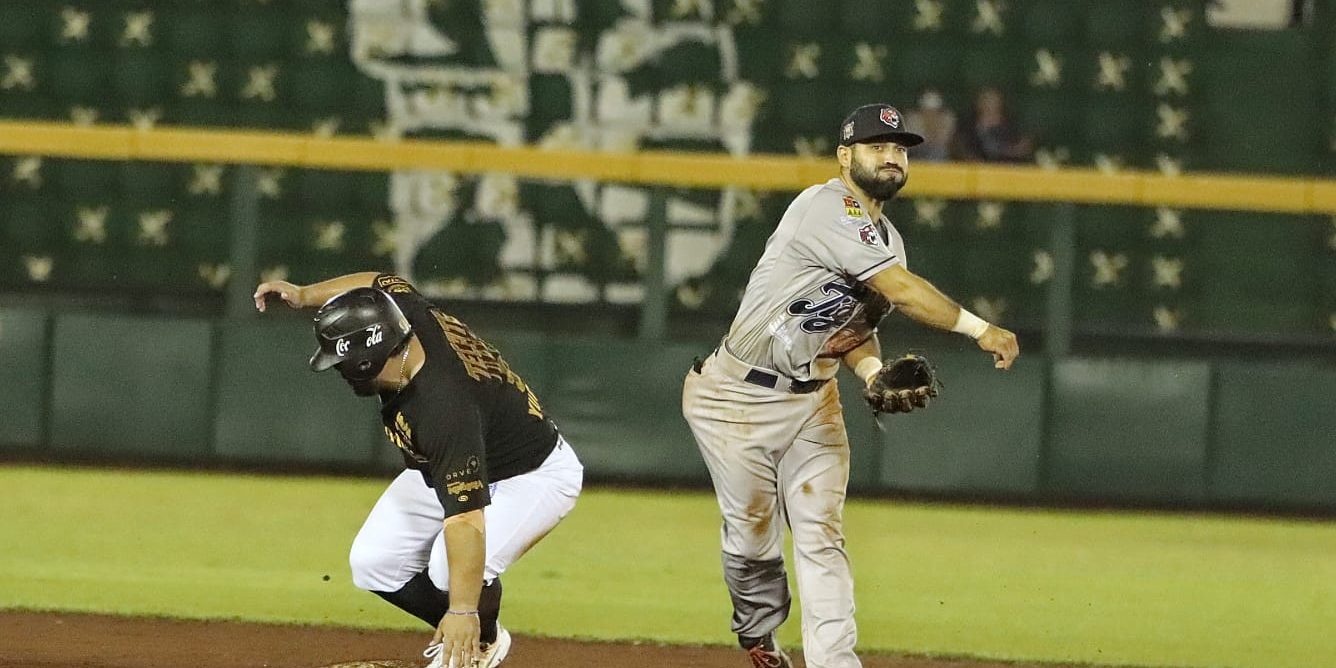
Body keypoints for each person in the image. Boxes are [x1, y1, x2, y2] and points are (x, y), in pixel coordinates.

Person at [681, 103, 1019, 668]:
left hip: (814, 398)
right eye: (876, 146)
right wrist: (980, 328)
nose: (891, 156)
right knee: (752, 543)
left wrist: (870, 370)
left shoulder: (890, 242)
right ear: (845, 157)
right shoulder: (824, 205)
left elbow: (853, 332)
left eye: (900, 148)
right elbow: (904, 291)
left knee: (821, 534)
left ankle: (835, 662)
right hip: (734, 397)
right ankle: (759, 638)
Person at [254, 272, 583, 668]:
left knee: (451, 571)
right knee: (374, 562)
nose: (338, 372)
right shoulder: (401, 316)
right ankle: (484, 635)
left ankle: (477, 647)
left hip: (530, 476)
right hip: (456, 458)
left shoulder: (443, 408)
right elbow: (378, 279)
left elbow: (467, 521)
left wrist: (462, 612)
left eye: (341, 363)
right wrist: (305, 294)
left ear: (366, 361)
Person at [951, 86, 1034, 163]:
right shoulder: (967, 125)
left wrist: (1012, 151)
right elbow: (959, 147)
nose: (989, 105)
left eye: (993, 100)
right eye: (986, 100)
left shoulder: (1012, 126)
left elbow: (1023, 147)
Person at [904, 88, 956, 162]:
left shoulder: (947, 120)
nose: (930, 115)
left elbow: (943, 141)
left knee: (939, 151)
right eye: (927, 111)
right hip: (915, 154)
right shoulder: (913, 120)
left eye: (934, 112)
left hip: (939, 156)